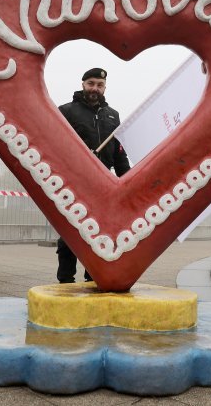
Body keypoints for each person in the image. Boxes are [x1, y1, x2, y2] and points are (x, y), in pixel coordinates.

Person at [56, 67, 131, 283]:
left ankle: (93, 278)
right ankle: (65, 281)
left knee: (100, 234)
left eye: (99, 85)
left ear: (104, 87)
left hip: (103, 186)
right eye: (91, 84)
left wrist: (126, 181)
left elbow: (119, 152)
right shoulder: (66, 111)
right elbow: (57, 146)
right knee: (69, 234)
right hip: (73, 184)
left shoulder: (113, 115)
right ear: (83, 85)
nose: (94, 89)